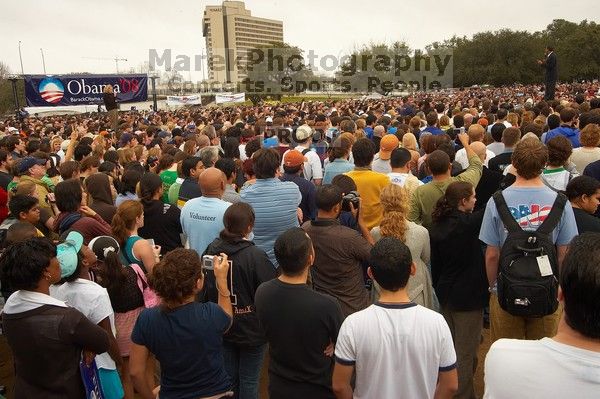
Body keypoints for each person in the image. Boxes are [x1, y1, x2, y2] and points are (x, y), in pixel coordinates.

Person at [332, 237, 458, 399]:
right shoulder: (437, 323)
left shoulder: (353, 324)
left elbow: (339, 386)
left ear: (370, 273)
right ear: (413, 269)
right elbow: (451, 385)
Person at [479, 137, 578, 342]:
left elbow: (491, 254)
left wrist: (494, 287)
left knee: (507, 355)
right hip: (547, 289)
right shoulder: (561, 202)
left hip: (506, 289)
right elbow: (564, 253)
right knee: (545, 355)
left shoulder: (496, 200)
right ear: (544, 163)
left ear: (514, 163)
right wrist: (560, 286)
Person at [484, 233, 600, 398]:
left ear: (560, 294)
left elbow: (492, 255)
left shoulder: (502, 356)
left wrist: (494, 289)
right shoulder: (562, 208)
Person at [1, 238, 110, 398]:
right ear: (46, 271)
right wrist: (86, 346)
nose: (59, 262)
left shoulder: (10, 309)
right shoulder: (67, 318)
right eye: (54, 258)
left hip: (25, 391)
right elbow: (103, 341)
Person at [129, 249, 234, 399]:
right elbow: (228, 319)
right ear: (197, 284)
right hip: (215, 392)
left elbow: (135, 372)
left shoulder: (147, 318)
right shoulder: (210, 313)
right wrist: (222, 281)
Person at [255, 228, 343, 399]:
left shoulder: (262, 292)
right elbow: (343, 344)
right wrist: (335, 343)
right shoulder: (327, 305)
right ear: (311, 258)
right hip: (317, 389)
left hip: (279, 387)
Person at [204, 202, 277, 399]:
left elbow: (205, 287)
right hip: (252, 330)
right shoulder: (255, 256)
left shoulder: (212, 249)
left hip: (222, 325)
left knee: (230, 379)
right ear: (249, 227)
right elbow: (269, 291)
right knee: (250, 381)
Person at [430, 181, 489, 399]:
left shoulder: (437, 224)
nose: (476, 200)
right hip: (469, 298)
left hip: (446, 294)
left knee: (450, 350)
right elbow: (491, 206)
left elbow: (435, 266)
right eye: (473, 197)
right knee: (465, 353)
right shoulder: (467, 224)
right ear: (463, 201)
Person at [50, 231, 124, 399]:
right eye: (83, 247)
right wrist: (119, 362)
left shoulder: (57, 290)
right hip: (102, 363)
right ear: (84, 261)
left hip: (76, 364)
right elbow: (107, 336)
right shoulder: (96, 292)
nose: (86, 246)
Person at [302, 184, 372, 317]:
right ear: (336, 208)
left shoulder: (305, 230)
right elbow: (376, 256)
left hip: (322, 307)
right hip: (352, 307)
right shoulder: (349, 237)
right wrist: (361, 223)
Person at [371, 183, 434, 308]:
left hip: (384, 292)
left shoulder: (375, 233)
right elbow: (426, 258)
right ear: (406, 203)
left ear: (382, 204)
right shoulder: (421, 232)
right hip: (416, 289)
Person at [240, 148, 301, 267]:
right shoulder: (292, 189)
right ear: (277, 168)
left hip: (258, 259)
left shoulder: (245, 194)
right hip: (288, 257)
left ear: (255, 169)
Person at [409, 132, 482, 229]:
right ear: (450, 167)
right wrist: (465, 143)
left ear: (429, 170)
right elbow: (477, 165)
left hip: (433, 239)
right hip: (460, 235)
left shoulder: (420, 192)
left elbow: (412, 221)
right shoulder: (463, 183)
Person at [181, 167, 231, 256]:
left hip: (194, 262)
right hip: (220, 265)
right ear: (223, 184)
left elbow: (185, 233)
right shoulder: (229, 209)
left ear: (199, 184)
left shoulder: (188, 205)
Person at [344, 138, 390, 230]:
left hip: (351, 230)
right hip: (376, 231)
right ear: (372, 157)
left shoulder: (344, 178)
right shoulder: (384, 179)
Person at [53, 178, 112, 243]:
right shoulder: (87, 222)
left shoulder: (60, 218)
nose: (86, 194)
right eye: (83, 192)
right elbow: (113, 237)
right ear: (75, 196)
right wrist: (95, 215)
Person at [136, 172, 183, 255]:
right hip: (171, 258)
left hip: (145, 255)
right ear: (159, 189)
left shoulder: (135, 210)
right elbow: (183, 232)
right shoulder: (171, 210)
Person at [112, 200, 161, 274]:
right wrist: (156, 256)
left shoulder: (117, 238)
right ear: (137, 219)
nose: (143, 217)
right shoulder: (142, 244)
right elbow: (155, 275)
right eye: (142, 214)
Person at [280, 149, 317, 223]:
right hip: (303, 227)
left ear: (284, 166)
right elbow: (314, 213)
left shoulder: (277, 182)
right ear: (302, 166)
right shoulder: (308, 186)